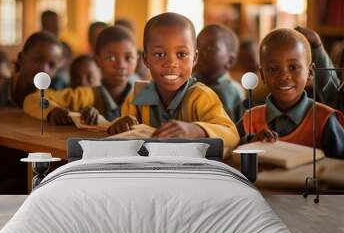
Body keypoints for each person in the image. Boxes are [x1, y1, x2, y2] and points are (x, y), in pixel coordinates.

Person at [108, 12, 239, 148]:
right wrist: (119, 125)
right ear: (146, 60)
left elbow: (231, 134)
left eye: (181, 54)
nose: (171, 63)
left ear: (194, 58)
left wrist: (196, 130)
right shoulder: (138, 95)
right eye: (159, 54)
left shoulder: (200, 96)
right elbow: (125, 132)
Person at [236, 28, 344, 159]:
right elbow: (230, 155)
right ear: (263, 75)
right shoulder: (250, 119)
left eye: (293, 67)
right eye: (272, 69)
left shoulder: (324, 120)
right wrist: (249, 144)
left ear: (310, 72)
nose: (284, 76)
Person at [23, 26, 138, 125]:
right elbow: (32, 99)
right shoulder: (84, 96)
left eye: (128, 58)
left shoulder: (143, 97)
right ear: (97, 61)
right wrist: (53, 111)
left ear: (137, 59)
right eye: (111, 58)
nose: (121, 65)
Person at [194, 24, 245, 122]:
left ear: (230, 61)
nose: (200, 53)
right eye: (197, 47)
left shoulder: (231, 92)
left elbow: (235, 129)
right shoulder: (188, 83)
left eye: (210, 49)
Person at [12, 31, 63, 107]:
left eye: (51, 65)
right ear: (21, 59)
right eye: (37, 60)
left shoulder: (56, 97)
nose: (44, 69)